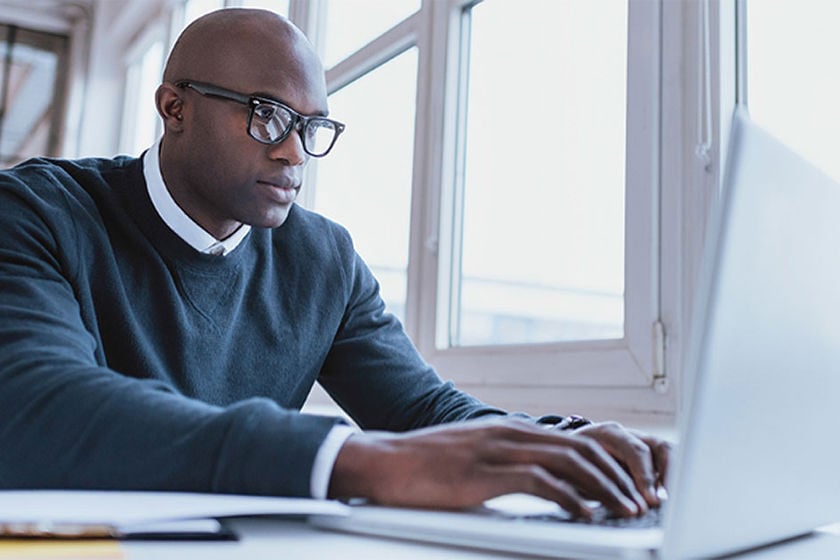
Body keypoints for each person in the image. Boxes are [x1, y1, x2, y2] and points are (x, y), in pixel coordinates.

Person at [0, 8, 670, 520]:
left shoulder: (324, 259)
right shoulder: (36, 212)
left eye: (312, 127)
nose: (294, 153)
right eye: (268, 116)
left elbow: (423, 410)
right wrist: (345, 460)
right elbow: (32, 404)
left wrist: (566, 444)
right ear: (174, 108)